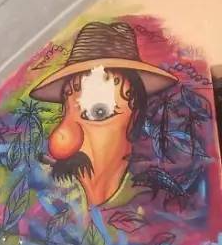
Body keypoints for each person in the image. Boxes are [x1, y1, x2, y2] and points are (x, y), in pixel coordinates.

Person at [30, 21, 177, 206]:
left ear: (135, 119)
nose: (61, 141)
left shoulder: (154, 206)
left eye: (98, 111)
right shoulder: (43, 201)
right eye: (65, 111)